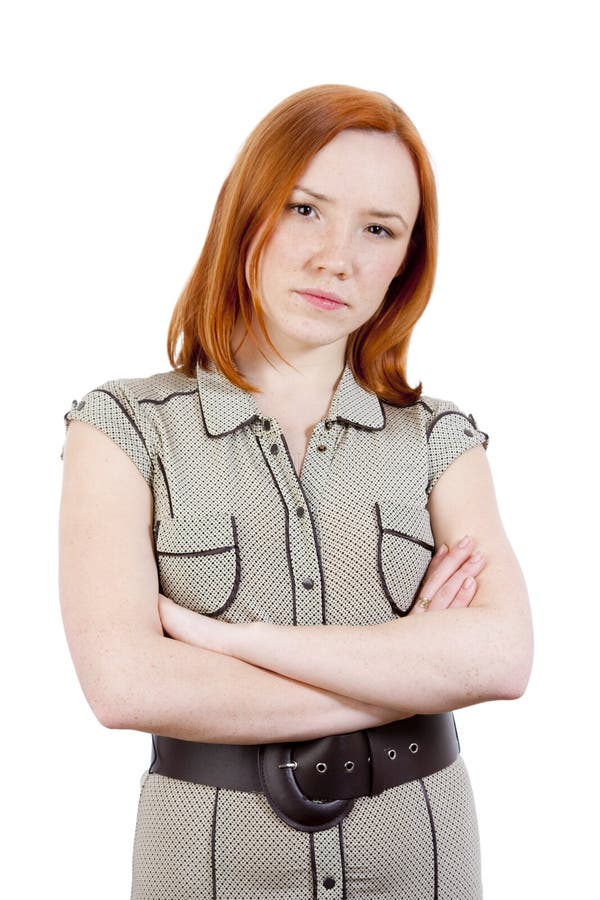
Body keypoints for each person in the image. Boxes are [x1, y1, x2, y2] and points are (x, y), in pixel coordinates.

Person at [58, 83, 533, 900]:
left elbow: (503, 657)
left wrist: (242, 642)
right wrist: (407, 665)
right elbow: (125, 683)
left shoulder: (439, 439)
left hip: (426, 866)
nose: (336, 257)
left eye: (378, 229)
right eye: (306, 209)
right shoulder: (123, 428)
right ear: (248, 211)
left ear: (405, 261)